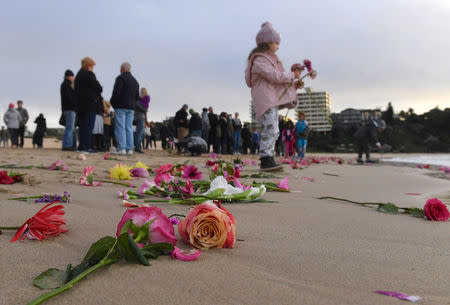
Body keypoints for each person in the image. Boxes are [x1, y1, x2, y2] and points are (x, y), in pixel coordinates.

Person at [245, 22, 301, 171]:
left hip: (270, 99)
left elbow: (276, 82)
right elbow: (274, 76)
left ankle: (268, 156)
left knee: (274, 129)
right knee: (270, 128)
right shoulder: (260, 60)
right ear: (267, 43)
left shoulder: (267, 59)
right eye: (276, 43)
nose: (277, 46)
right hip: (265, 100)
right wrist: (291, 75)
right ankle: (265, 158)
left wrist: (294, 84)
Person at [110, 62, 140, 155]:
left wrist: (113, 103)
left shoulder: (120, 78)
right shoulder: (135, 81)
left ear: (123, 69)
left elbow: (116, 93)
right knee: (129, 127)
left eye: (120, 69)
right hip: (131, 108)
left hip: (121, 106)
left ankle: (122, 148)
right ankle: (129, 149)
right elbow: (137, 97)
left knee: (120, 127)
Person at [74, 57, 103, 154]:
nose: (93, 68)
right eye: (92, 66)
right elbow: (98, 88)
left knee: (82, 126)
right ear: (89, 65)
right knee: (89, 126)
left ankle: (81, 147)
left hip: (80, 105)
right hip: (90, 105)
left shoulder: (78, 75)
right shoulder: (89, 74)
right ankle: (86, 147)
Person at [60, 69, 77, 151]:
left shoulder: (67, 84)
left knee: (71, 127)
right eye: (72, 76)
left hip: (69, 109)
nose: (73, 78)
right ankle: (67, 145)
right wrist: (75, 104)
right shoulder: (66, 85)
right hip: (69, 109)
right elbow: (69, 98)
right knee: (70, 127)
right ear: (69, 76)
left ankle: (72, 145)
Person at [134, 88, 149, 153]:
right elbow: (139, 107)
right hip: (139, 118)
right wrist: (146, 109)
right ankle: (137, 148)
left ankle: (136, 146)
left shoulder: (143, 100)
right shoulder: (138, 99)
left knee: (142, 133)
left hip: (141, 117)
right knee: (140, 133)